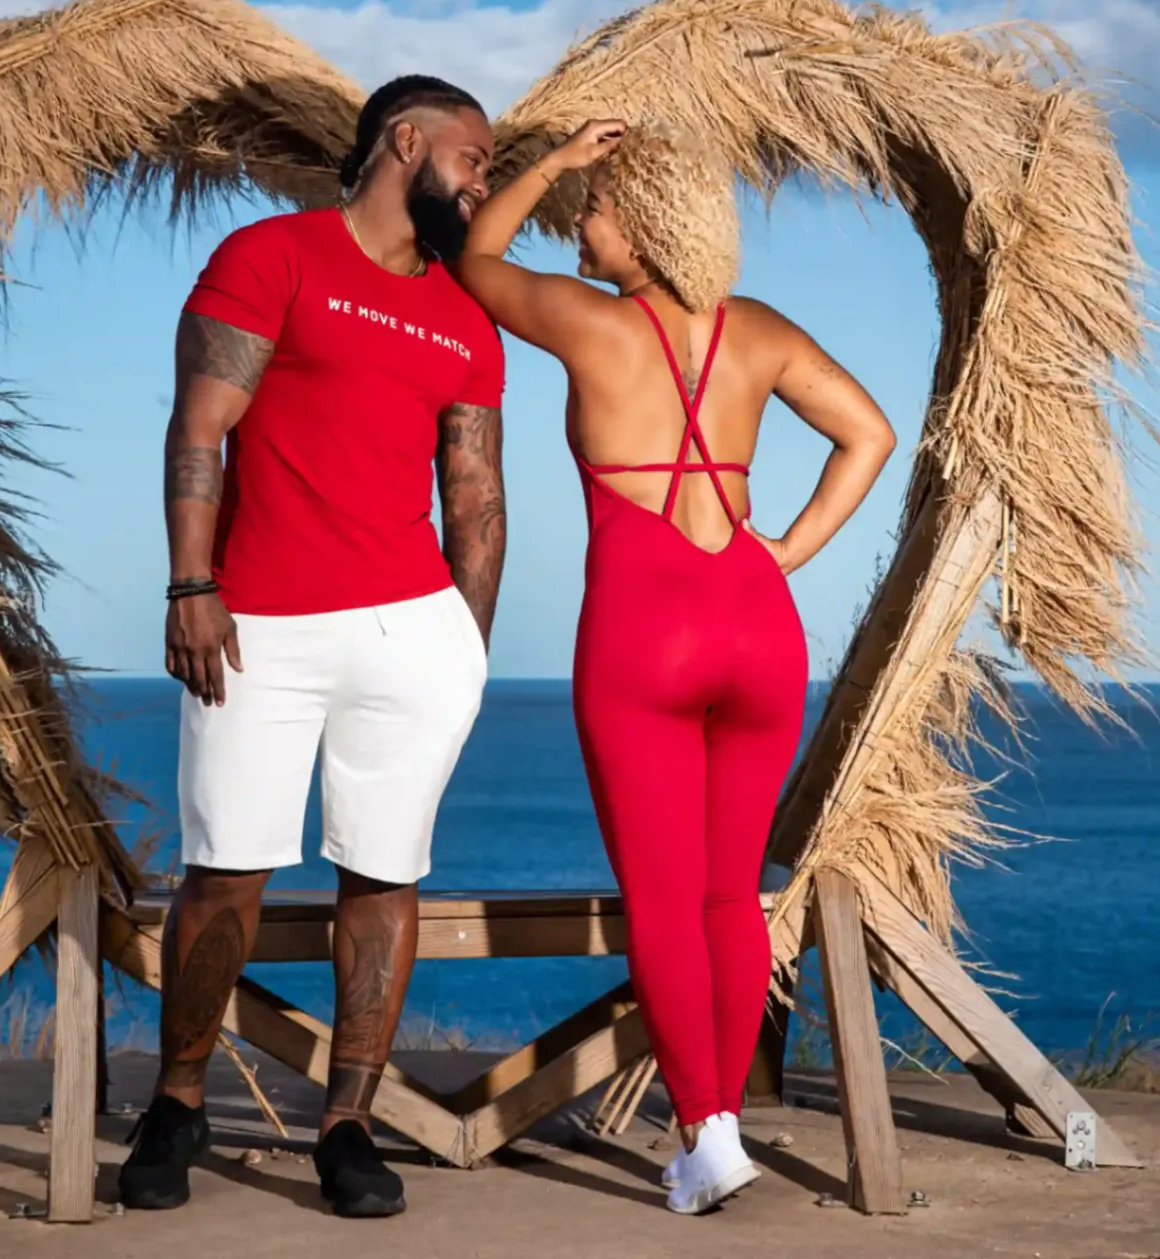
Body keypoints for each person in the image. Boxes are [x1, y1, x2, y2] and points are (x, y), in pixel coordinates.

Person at [452, 119, 896, 1216]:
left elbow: (474, 263)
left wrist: (544, 161)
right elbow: (870, 434)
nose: (578, 223)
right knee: (730, 895)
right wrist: (787, 548)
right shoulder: (757, 331)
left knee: (659, 895)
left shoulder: (587, 324)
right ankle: (727, 1121)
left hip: (643, 630)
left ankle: (702, 1135)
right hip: (756, 624)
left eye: (594, 205)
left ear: (643, 225)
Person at [119, 76, 507, 1219]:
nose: (482, 181)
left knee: (386, 879)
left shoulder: (464, 315)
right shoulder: (271, 255)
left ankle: (347, 1123)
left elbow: (474, 489)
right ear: (406, 141)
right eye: (474, 157)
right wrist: (193, 581)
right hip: (260, 626)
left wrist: (464, 648)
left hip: (412, 631)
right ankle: (178, 1102)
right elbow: (199, 424)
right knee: (226, 869)